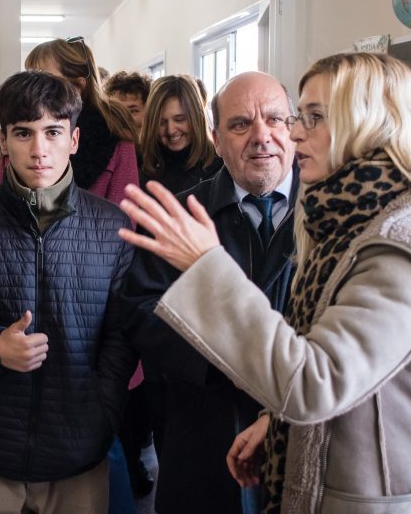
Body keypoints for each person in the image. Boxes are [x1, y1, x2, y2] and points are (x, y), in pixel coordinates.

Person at [117, 52, 411, 513]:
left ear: (367, 124)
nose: (291, 133)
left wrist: (208, 266)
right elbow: (352, 370)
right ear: (217, 139)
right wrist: (272, 411)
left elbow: (314, 381)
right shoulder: (348, 217)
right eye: (298, 116)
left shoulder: (401, 242)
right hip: (237, 440)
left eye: (310, 117)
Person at [0, 70, 136, 514]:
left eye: (53, 132)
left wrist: (103, 412)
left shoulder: (112, 225)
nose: (39, 149)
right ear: (3, 141)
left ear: (75, 139)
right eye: (23, 133)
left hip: (78, 449)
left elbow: (121, 336)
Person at [118, 71, 298, 513]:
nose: (261, 137)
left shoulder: (330, 215)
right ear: (216, 140)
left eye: (275, 119)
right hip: (202, 431)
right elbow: (141, 310)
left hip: (300, 428)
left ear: (293, 128)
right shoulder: (179, 215)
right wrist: (224, 362)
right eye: (241, 124)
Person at [0, 38, 139, 206]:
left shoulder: (115, 130)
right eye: (31, 77)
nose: (34, 87)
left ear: (77, 87)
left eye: (47, 82)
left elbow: (125, 212)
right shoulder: (16, 128)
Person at [137, 74, 223, 194]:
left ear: (196, 118)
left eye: (179, 119)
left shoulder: (222, 167)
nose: (171, 130)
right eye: (162, 122)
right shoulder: (142, 167)